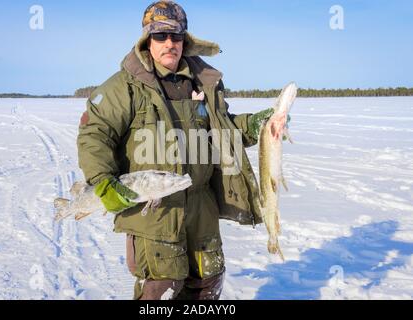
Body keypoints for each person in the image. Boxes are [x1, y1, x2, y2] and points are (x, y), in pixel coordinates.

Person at [77, 0, 275, 300]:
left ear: (185, 40)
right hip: (154, 210)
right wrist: (104, 184)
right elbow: (95, 134)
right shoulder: (125, 86)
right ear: (147, 40)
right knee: (160, 291)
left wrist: (261, 126)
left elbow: (223, 131)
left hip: (201, 205)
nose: (169, 43)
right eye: (160, 36)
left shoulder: (203, 82)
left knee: (207, 285)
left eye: (176, 36)